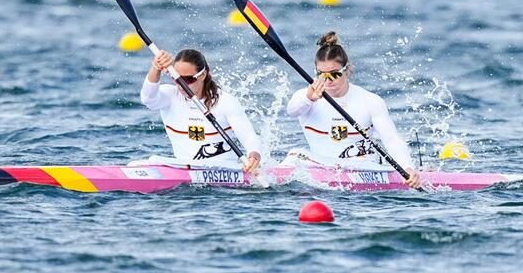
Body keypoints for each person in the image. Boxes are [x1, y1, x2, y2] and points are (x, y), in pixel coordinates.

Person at [285, 32, 421, 188]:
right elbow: (291, 111)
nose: (328, 81)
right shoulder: (307, 97)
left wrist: (407, 167)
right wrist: (309, 98)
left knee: (295, 156)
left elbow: (391, 139)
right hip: (322, 167)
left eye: (334, 74)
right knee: (295, 154)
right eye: (321, 74)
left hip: (364, 168)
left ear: (347, 69)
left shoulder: (370, 101)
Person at [142, 48, 262, 173]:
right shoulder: (169, 96)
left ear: (203, 75)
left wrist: (254, 156)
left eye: (188, 80)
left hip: (224, 171)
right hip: (183, 169)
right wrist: (156, 67)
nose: (181, 85)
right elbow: (147, 99)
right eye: (176, 78)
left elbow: (249, 136)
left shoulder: (225, 102)